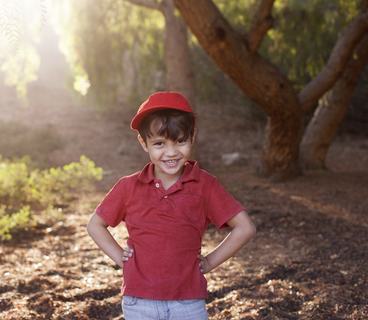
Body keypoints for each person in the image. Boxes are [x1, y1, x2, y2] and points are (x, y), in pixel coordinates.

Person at [87, 91, 256, 319]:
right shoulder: (128, 187)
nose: (171, 152)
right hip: (139, 301)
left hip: (187, 302)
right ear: (143, 143)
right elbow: (95, 225)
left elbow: (245, 228)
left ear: (192, 137)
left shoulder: (204, 185)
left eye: (180, 141)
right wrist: (120, 258)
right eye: (159, 143)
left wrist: (209, 262)